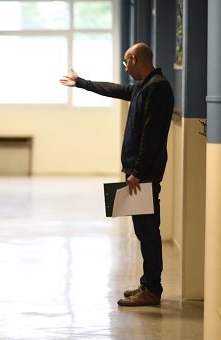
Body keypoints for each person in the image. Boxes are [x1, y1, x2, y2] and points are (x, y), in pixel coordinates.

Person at [59, 42, 174, 307]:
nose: (125, 68)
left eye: (126, 62)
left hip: (144, 173)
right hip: (139, 172)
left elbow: (151, 135)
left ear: (135, 59)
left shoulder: (157, 87)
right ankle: (147, 284)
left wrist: (138, 172)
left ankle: (152, 289)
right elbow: (116, 90)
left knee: (148, 231)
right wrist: (82, 83)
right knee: (143, 230)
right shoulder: (146, 86)